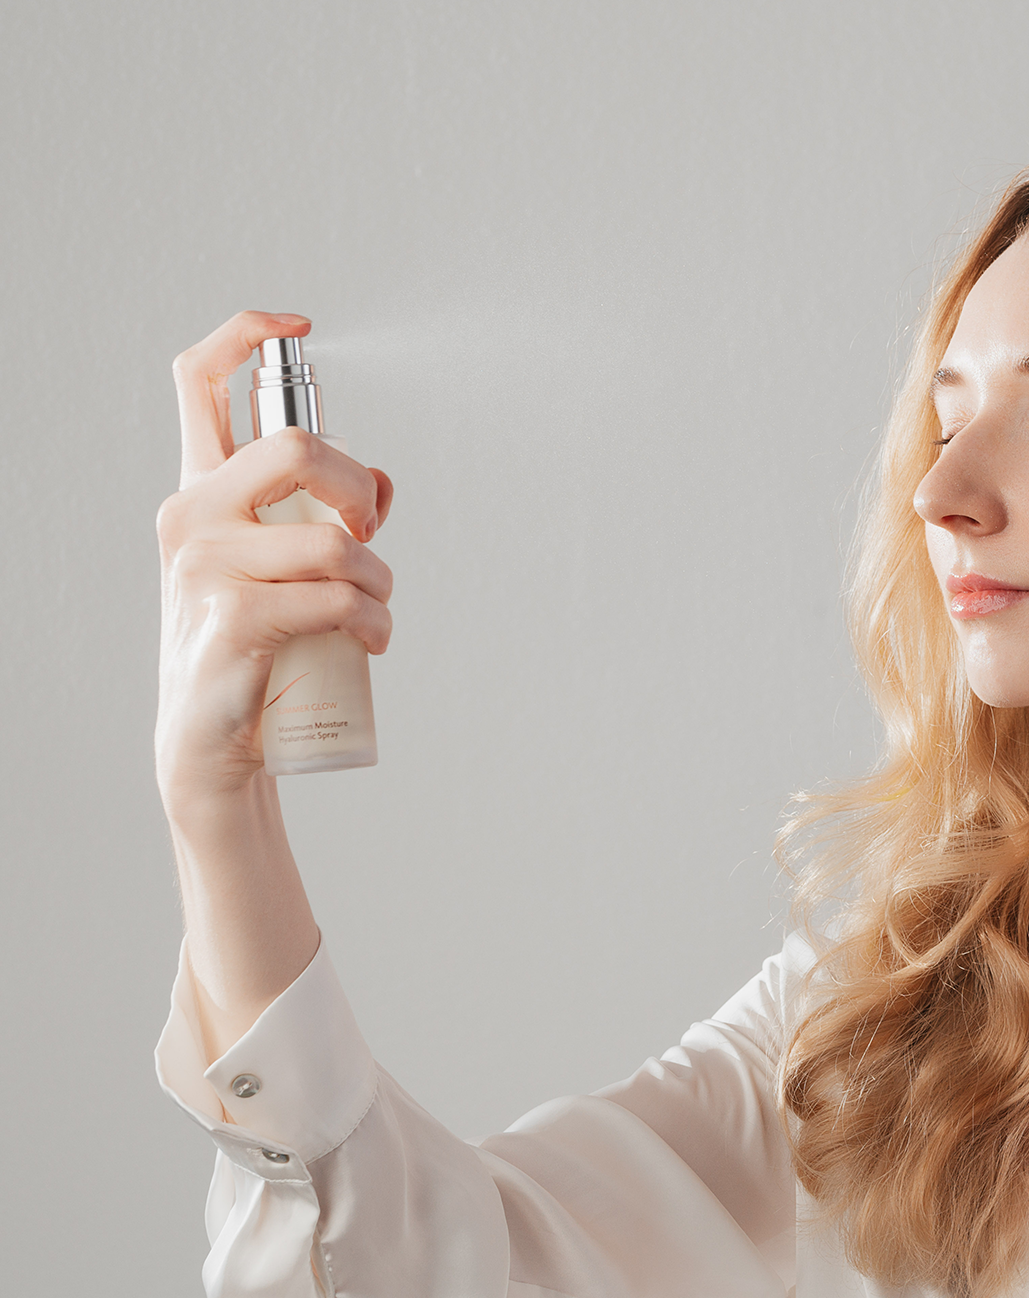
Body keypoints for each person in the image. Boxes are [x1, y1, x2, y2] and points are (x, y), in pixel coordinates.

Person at [154, 175, 1029, 1298]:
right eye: (948, 421)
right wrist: (216, 804)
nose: (942, 489)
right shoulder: (905, 1018)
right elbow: (417, 1269)